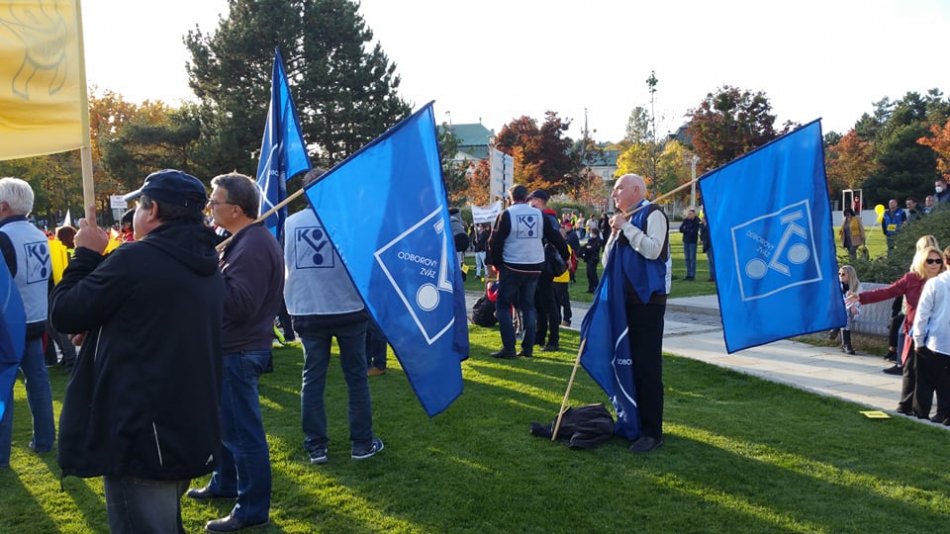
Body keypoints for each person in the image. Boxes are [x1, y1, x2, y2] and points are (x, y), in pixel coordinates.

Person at [50, 169, 224, 532]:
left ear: (153, 209)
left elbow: (64, 313)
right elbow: (152, 321)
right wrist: (102, 331)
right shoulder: (203, 258)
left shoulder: (138, 258)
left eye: (140, 206)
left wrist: (85, 255)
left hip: (141, 431)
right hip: (183, 422)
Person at [189, 173, 284, 532]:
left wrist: (206, 274)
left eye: (215, 201)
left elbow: (240, 304)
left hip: (240, 350)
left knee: (243, 434)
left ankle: (252, 509)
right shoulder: (242, 240)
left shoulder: (253, 245)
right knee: (226, 428)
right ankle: (226, 481)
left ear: (236, 209)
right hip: (231, 348)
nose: (210, 207)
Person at [282, 168, 384, 466]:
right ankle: (361, 443)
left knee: (312, 379)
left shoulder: (291, 222)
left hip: (308, 309)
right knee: (356, 377)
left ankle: (316, 447)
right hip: (348, 308)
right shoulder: (351, 220)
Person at [604, 174, 669, 453]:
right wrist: (615, 233)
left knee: (647, 366)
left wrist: (626, 228)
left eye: (618, 188)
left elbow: (653, 250)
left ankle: (652, 431)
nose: (614, 193)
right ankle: (633, 421)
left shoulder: (653, 213)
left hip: (648, 301)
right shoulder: (623, 220)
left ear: (635, 189)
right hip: (624, 301)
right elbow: (607, 260)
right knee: (626, 361)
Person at [848, 245, 945, 418]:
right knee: (911, 370)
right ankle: (906, 406)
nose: (934, 264)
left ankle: (934, 412)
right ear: (921, 261)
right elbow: (888, 291)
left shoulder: (944, 281)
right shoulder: (912, 279)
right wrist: (861, 297)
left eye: (938, 261)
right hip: (916, 331)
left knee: (935, 375)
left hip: (939, 335)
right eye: (929, 261)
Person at [0, 177, 54, 470]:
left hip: (9, 324)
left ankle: (1, 456)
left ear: (3, 207)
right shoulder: (39, 234)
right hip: (36, 318)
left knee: (4, 387)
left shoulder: (3, 236)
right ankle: (45, 440)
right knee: (38, 382)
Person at [486, 185, 566, 359]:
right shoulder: (539, 215)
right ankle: (528, 347)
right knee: (528, 306)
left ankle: (509, 347)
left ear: (511, 197)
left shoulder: (507, 214)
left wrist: (497, 263)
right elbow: (555, 237)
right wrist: (566, 255)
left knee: (503, 305)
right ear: (527, 197)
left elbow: (495, 241)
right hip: (535, 265)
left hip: (513, 264)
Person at [527, 189, 569, 352]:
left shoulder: (547, 218)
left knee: (549, 302)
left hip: (546, 264)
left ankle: (553, 339)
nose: (530, 204)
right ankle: (540, 335)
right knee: (539, 301)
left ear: (539, 201)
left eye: (532, 201)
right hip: (539, 263)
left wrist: (566, 257)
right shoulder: (545, 217)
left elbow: (556, 239)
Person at [912, 245, 950, 425]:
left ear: (945, 261)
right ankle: (944, 413)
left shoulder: (935, 283)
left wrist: (918, 340)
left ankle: (927, 414)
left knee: (929, 380)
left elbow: (922, 314)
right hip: (940, 340)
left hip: (937, 340)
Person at [837, 265, 861, 355]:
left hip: (854, 311)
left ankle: (836, 330)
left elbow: (858, 300)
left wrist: (852, 305)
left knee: (846, 314)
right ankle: (846, 344)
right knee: (845, 314)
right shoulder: (837, 285)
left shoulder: (857, 286)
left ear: (850, 275)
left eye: (843, 274)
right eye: (839, 274)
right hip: (841, 311)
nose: (840, 276)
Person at [581, 227, 603, 293]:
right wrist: (588, 247)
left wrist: (589, 247)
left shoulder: (599, 240)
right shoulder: (590, 240)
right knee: (589, 273)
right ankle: (591, 288)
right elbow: (586, 247)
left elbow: (594, 248)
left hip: (594, 259)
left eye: (591, 233)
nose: (591, 234)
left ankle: (597, 288)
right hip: (589, 258)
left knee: (593, 274)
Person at [679, 208, 699, 280]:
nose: (689, 215)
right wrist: (688, 230)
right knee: (687, 258)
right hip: (686, 241)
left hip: (693, 242)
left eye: (690, 214)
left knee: (692, 258)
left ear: (694, 214)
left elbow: (694, 231)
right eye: (688, 214)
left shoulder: (696, 221)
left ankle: (692, 275)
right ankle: (688, 274)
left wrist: (686, 230)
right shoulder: (686, 220)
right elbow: (681, 229)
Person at [699, 213, 715, 282]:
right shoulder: (702, 226)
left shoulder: (710, 226)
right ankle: (711, 276)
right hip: (706, 245)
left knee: (712, 262)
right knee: (709, 262)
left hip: (710, 245)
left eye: (703, 218)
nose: (702, 220)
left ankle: (714, 276)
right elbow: (702, 235)